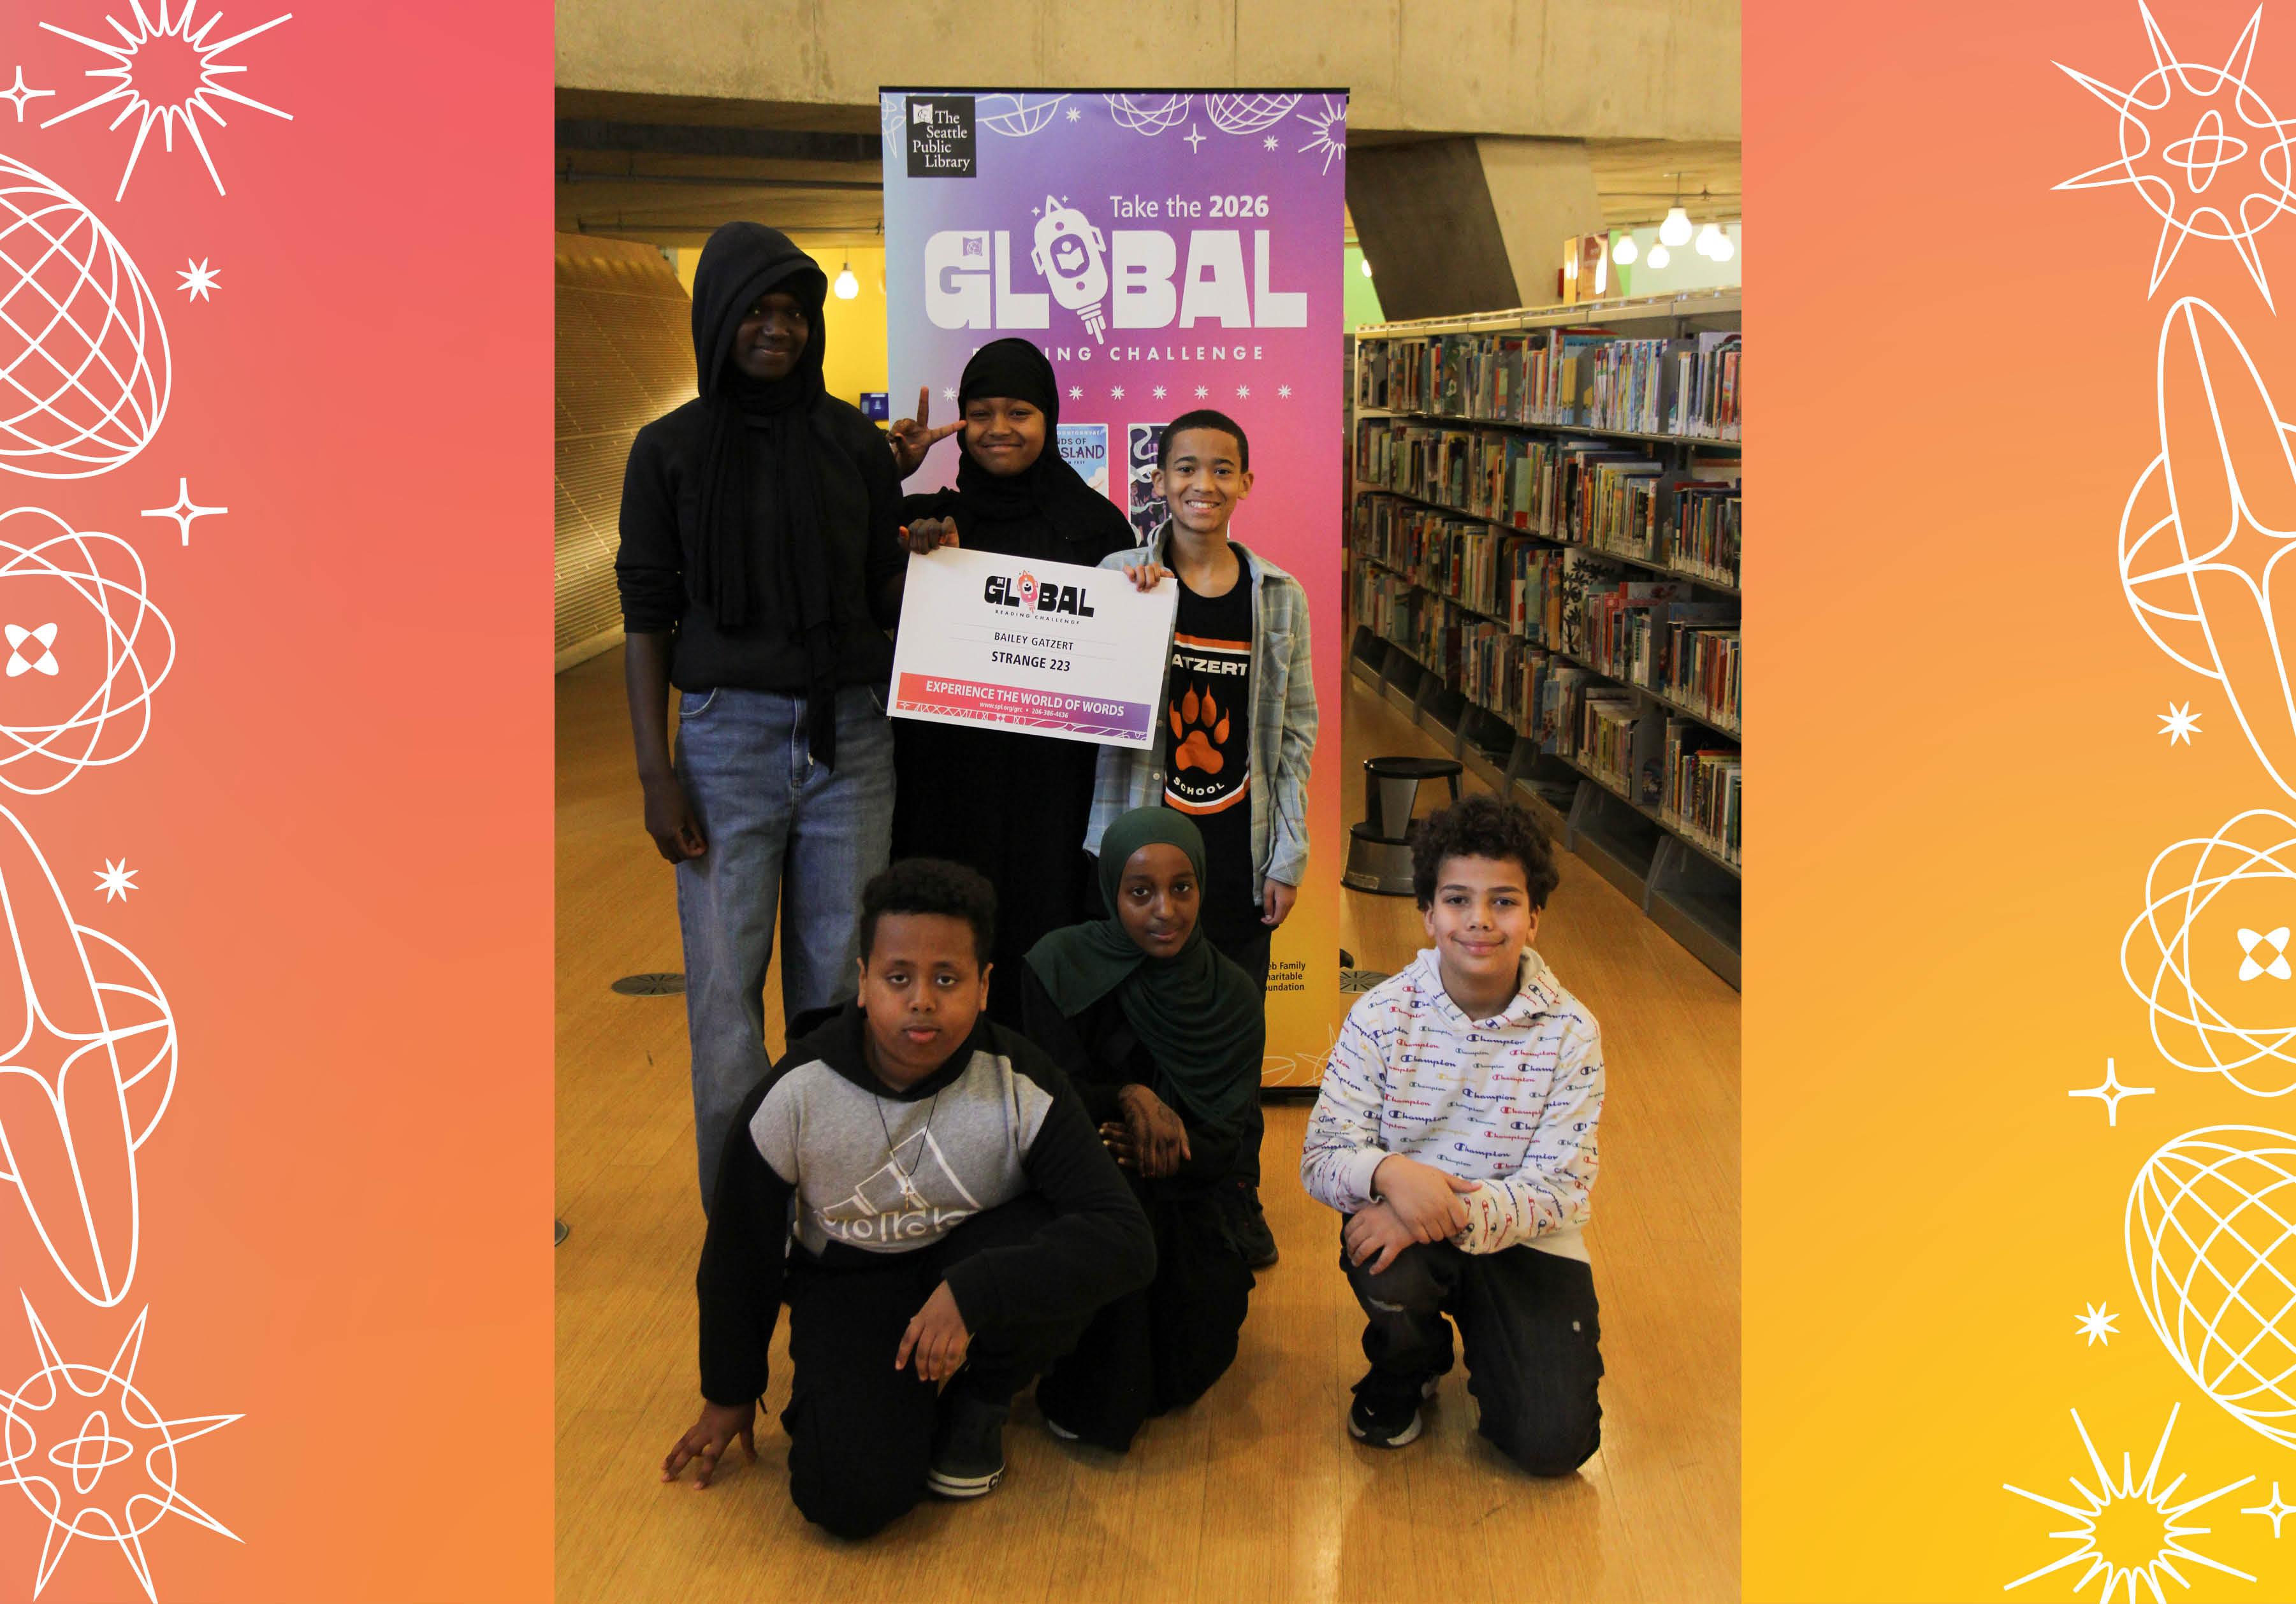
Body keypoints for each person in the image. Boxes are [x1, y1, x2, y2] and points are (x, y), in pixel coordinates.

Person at [661, 858, 1155, 1539]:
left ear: (983, 987)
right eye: (899, 978)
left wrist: (975, 1291)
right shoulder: (797, 1093)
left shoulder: (1019, 1080)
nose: (921, 1000)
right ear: (862, 982)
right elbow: (738, 1251)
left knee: (1074, 1229)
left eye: (946, 979)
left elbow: (1125, 1239)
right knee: (847, 1502)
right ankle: (896, 1397)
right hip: (850, 1281)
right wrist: (728, 1391)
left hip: (974, 1259)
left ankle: (982, 1395)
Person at [614, 222, 906, 1204]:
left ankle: (829, 1213)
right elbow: (645, 612)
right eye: (756, 311)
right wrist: (658, 773)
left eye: (793, 313)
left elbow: (885, 590)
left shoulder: (854, 446)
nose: (775, 329)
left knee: (835, 988)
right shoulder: (668, 451)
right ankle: (743, 1222)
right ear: (718, 321)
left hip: (851, 738)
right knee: (725, 998)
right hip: (723, 741)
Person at [1298, 795, 1604, 1471]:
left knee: (1553, 1447)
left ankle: (1496, 1350)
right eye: (1457, 900)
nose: (1478, 921)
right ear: (1427, 914)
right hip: (1402, 1228)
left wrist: (1432, 1213)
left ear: (1533, 918)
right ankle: (1409, 1361)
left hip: (1525, 1241)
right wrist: (1387, 1175)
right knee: (1384, 1258)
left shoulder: (1570, 1033)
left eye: (1502, 902)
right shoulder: (1379, 1016)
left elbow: (1561, 1189)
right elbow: (1321, 1156)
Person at [1094, 409, 1316, 1268]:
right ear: (1157, 479)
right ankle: (1138, 1190)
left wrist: (1286, 855)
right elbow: (1084, 707)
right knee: (1133, 1029)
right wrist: (1125, 619)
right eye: (1184, 467)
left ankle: (1235, 1189)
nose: (1202, 484)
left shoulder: (1278, 596)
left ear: (1246, 485)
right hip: (1138, 851)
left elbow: (1294, 734)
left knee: (1232, 1032)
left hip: (1235, 851)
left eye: (1222, 469)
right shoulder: (1121, 576)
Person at [892, 338, 1137, 1024]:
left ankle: (1045, 1088)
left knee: (1043, 930)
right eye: (980, 412)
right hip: (945, 779)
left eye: (1019, 411)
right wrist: (893, 487)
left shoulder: (1095, 528)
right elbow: (849, 568)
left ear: (1050, 419)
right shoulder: (929, 521)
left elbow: (1126, 647)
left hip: (1052, 785)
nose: (998, 428)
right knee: (948, 925)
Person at [1019, 809, 1262, 1452]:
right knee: (1111, 1243)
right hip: (1075, 1178)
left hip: (1181, 1187)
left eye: (1182, 888)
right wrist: (1128, 1097)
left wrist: (1163, 1153)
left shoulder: (1230, 996)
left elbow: (1219, 1139)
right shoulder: (1058, 966)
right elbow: (1045, 1093)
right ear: (1110, 893)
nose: (1165, 911)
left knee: (1196, 1326)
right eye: (1139, 892)